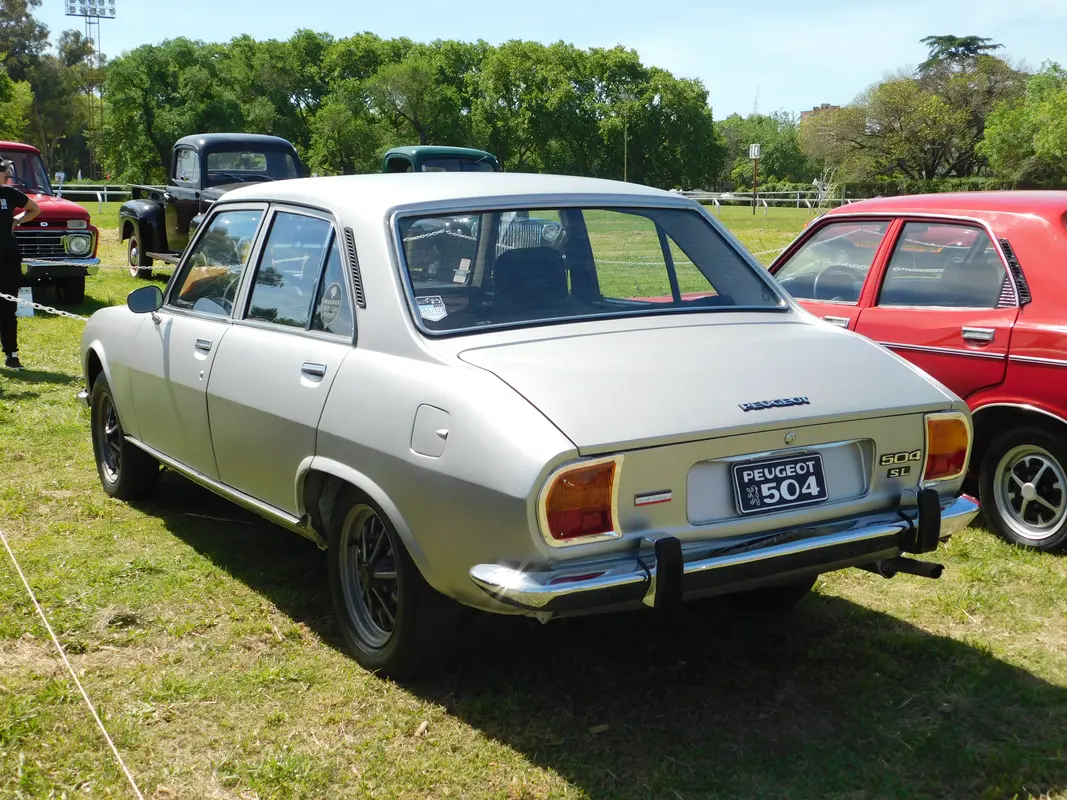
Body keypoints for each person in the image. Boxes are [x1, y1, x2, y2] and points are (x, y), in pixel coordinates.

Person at [0, 157, 41, 370]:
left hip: (8, 256)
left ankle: (11, 354)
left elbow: (34, 209)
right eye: (3, 170)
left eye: (5, 170)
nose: (6, 174)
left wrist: (17, 220)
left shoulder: (9, 193)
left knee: (8, 306)